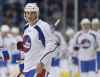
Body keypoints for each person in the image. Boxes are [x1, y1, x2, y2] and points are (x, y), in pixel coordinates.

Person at [17, 3, 57, 77]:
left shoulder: (43, 26)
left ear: (37, 14)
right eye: (27, 13)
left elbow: (52, 45)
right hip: (27, 69)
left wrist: (42, 62)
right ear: (25, 14)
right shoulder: (26, 28)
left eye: (32, 13)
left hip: (39, 68)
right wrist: (21, 66)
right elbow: (24, 48)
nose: (29, 16)